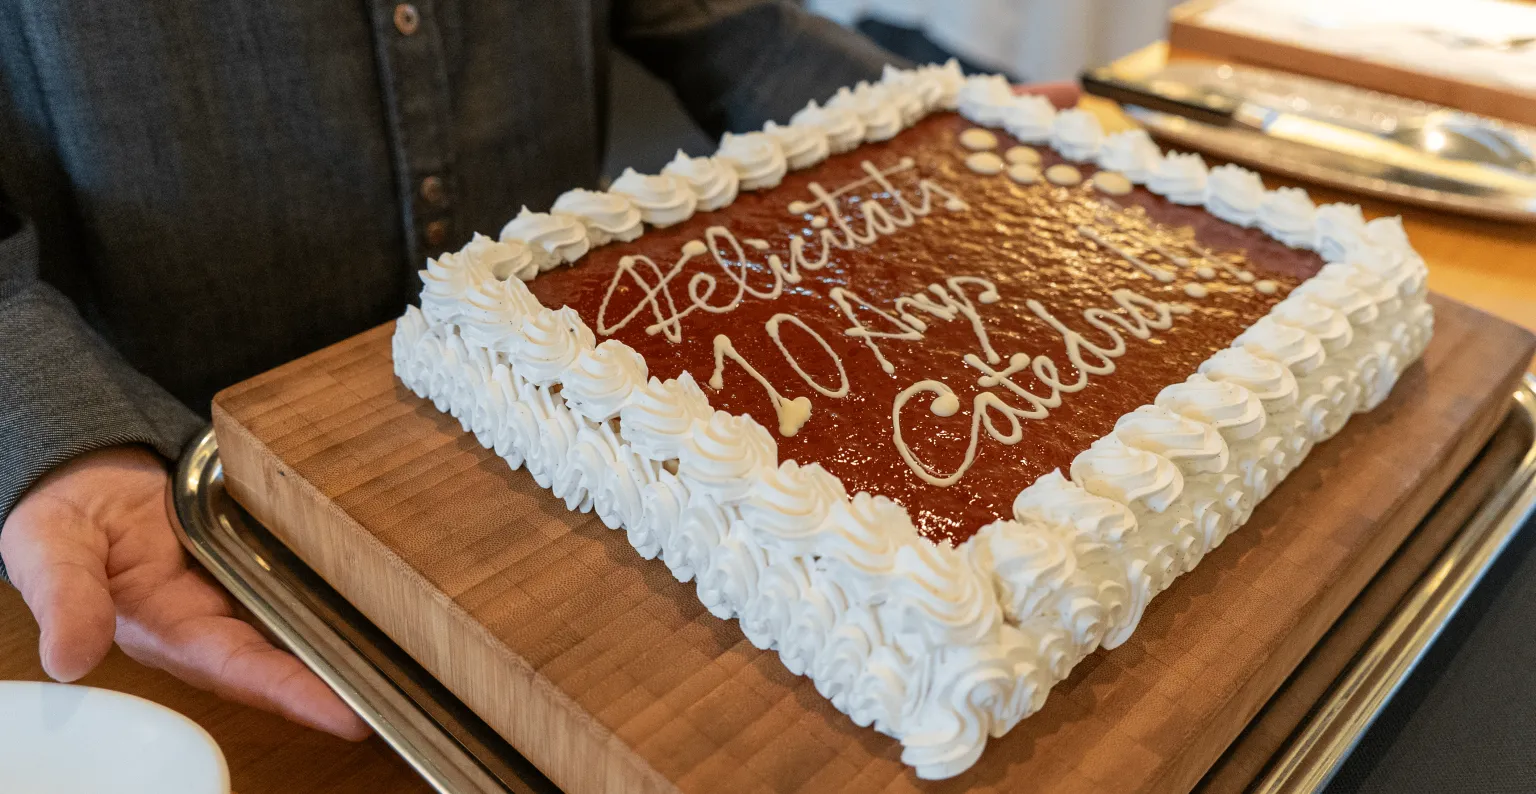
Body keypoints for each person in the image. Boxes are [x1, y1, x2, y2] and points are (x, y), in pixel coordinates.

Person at [0, 0, 1075, 742]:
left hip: (601, 510)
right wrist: (55, 431)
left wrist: (950, 131)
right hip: (190, 522)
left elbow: (719, 23)